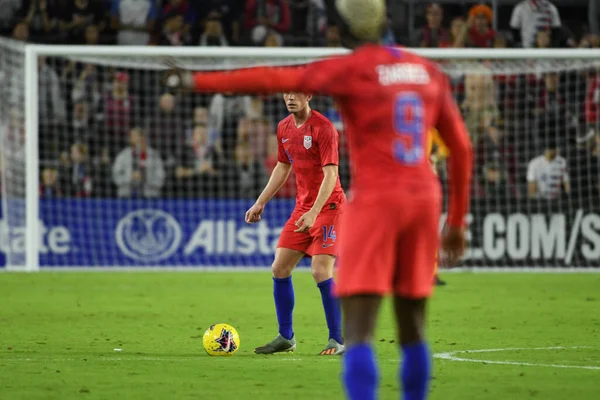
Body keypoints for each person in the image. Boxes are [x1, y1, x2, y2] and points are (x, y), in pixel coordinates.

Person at [169, 0, 471, 398]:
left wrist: (194, 82)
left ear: (342, 30)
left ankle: (340, 341)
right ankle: (290, 336)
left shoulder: (350, 70)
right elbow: (462, 150)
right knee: (412, 323)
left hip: (374, 200)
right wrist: (455, 224)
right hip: (423, 200)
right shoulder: (426, 70)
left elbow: (268, 76)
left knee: (359, 324)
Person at [245, 92, 346, 355]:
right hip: (303, 208)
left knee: (320, 270)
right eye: (286, 93)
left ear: (308, 95)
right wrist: (260, 202)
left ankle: (338, 339)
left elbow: (331, 174)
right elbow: (282, 166)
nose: (290, 98)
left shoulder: (324, 128)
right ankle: (286, 337)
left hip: (329, 208)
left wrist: (315, 211)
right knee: (279, 267)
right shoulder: (283, 127)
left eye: (296, 93)